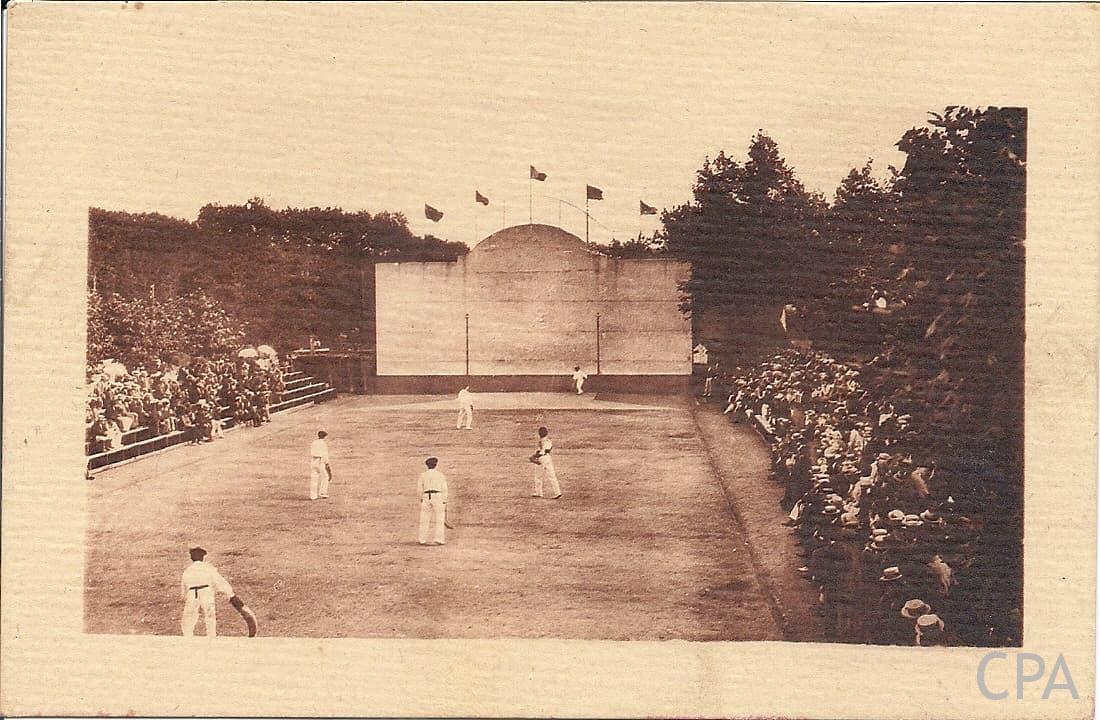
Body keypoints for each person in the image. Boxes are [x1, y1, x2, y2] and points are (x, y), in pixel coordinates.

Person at [180, 545, 235, 637]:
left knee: (190, 616)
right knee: (209, 615)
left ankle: (188, 637)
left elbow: (184, 586)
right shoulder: (208, 568)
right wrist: (229, 593)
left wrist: (184, 595)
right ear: (202, 557)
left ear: (191, 558)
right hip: (205, 592)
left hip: (193, 593)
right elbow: (219, 581)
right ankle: (211, 636)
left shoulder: (188, 570)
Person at [417, 456, 448, 545]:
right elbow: (444, 488)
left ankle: (422, 539)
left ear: (427, 465)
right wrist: (444, 500)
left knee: (424, 518)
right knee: (439, 518)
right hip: (438, 496)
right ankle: (439, 539)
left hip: (426, 496)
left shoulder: (423, 475)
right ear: (436, 465)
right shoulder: (440, 475)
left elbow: (419, 489)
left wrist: (422, 498)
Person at [532, 426, 562, 499]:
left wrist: (534, 457)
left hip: (541, 458)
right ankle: (557, 492)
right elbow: (546, 450)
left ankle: (539, 492)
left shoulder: (541, 441)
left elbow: (541, 452)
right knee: (552, 475)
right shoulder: (548, 440)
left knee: (538, 476)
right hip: (548, 458)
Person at [309, 430, 331, 500]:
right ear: (324, 437)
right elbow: (325, 455)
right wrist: (327, 464)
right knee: (325, 476)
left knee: (314, 478)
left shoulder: (314, 442)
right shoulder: (323, 444)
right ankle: (322, 493)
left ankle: (313, 496)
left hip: (313, 461)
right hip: (320, 461)